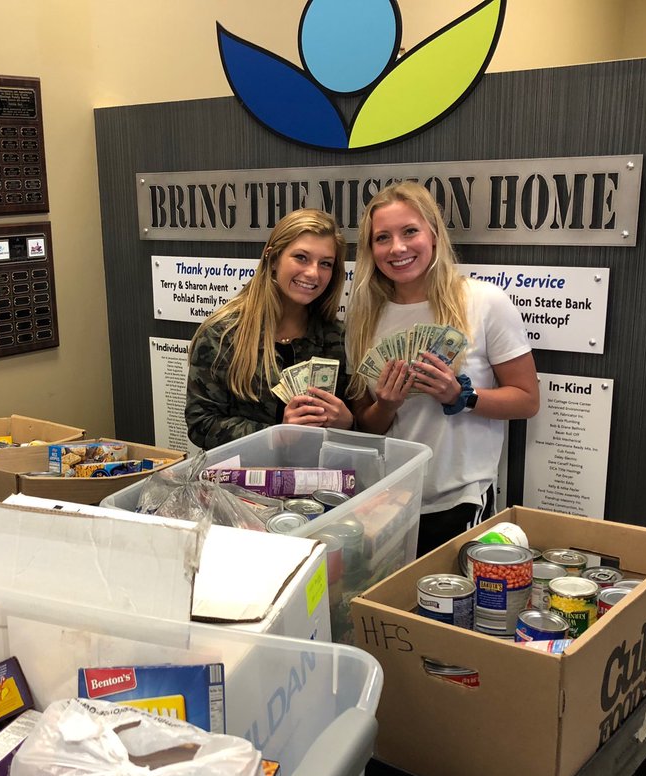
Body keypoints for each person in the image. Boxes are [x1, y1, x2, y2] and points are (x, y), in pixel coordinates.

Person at [346, 182, 539, 554]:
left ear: (433, 234)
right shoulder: (364, 317)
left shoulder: (483, 302)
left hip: (461, 498)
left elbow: (527, 400)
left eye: (410, 232)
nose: (397, 248)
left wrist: (461, 396)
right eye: (382, 237)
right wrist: (385, 404)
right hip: (389, 503)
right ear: (370, 250)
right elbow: (365, 426)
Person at [185, 208, 354, 450]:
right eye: (301, 257)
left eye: (325, 263)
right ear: (273, 259)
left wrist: (348, 422)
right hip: (242, 481)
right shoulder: (222, 334)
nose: (313, 273)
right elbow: (201, 424)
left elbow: (360, 429)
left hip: (317, 479)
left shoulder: (337, 336)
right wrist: (276, 433)